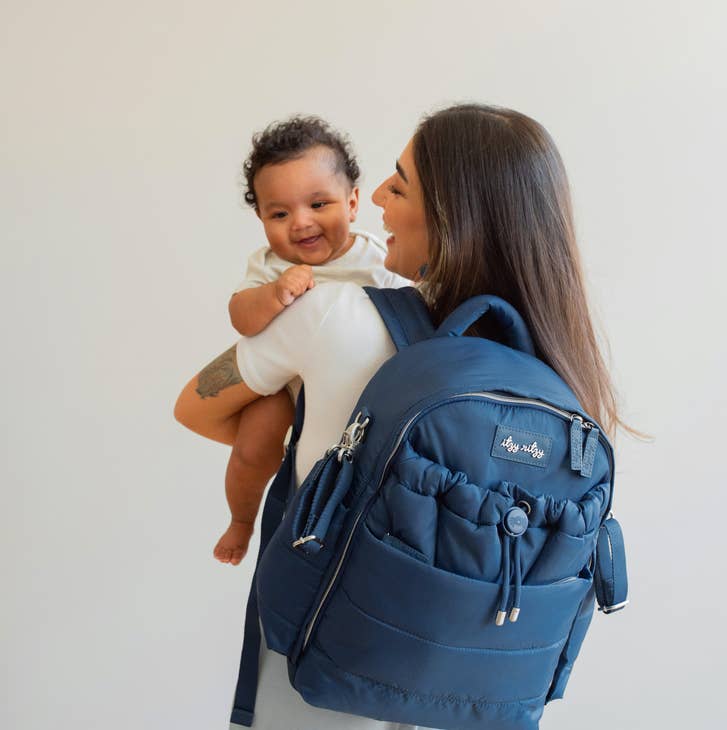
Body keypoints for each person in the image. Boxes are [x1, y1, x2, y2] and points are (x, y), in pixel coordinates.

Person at [174, 103, 623, 729]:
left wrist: (284, 426)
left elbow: (193, 406)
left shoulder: (330, 311)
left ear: (451, 213)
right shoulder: (551, 367)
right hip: (471, 684)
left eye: (400, 183)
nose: (379, 193)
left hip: (333, 660)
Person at [178, 115, 408, 568]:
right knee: (252, 445)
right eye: (279, 214)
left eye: (319, 204)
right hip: (284, 389)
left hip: (353, 398)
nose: (300, 223)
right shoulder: (268, 265)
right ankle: (242, 520)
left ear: (353, 201)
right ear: (261, 218)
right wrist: (274, 294)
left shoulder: (378, 259)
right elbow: (240, 317)